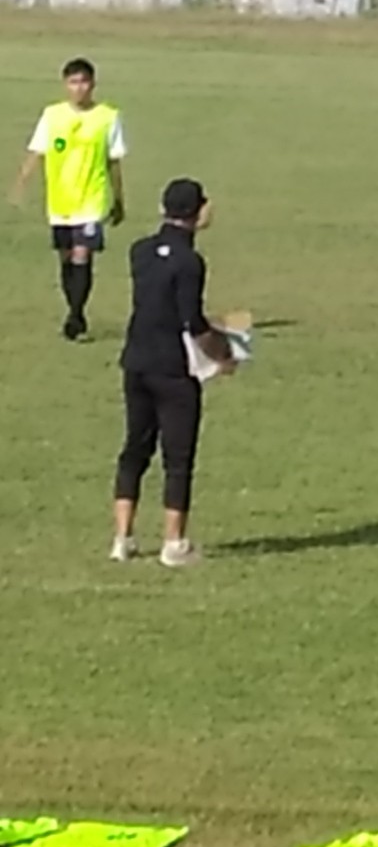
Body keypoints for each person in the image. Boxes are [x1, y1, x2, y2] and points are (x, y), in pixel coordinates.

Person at [113, 178, 233, 568]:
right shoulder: (190, 261)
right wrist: (223, 355)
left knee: (135, 449)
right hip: (172, 367)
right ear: (197, 212)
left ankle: (122, 537)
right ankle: (173, 543)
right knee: (178, 457)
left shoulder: (140, 251)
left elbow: (156, 302)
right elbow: (192, 322)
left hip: (136, 359)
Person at [12, 57, 127, 341]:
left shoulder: (108, 117)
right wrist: (20, 184)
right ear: (65, 85)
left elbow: (114, 161)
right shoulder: (52, 116)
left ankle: (75, 315)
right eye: (73, 82)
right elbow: (37, 152)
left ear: (93, 84)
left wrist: (119, 199)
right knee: (66, 259)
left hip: (92, 200)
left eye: (84, 82)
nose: (79, 88)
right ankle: (75, 311)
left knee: (82, 255)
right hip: (60, 201)